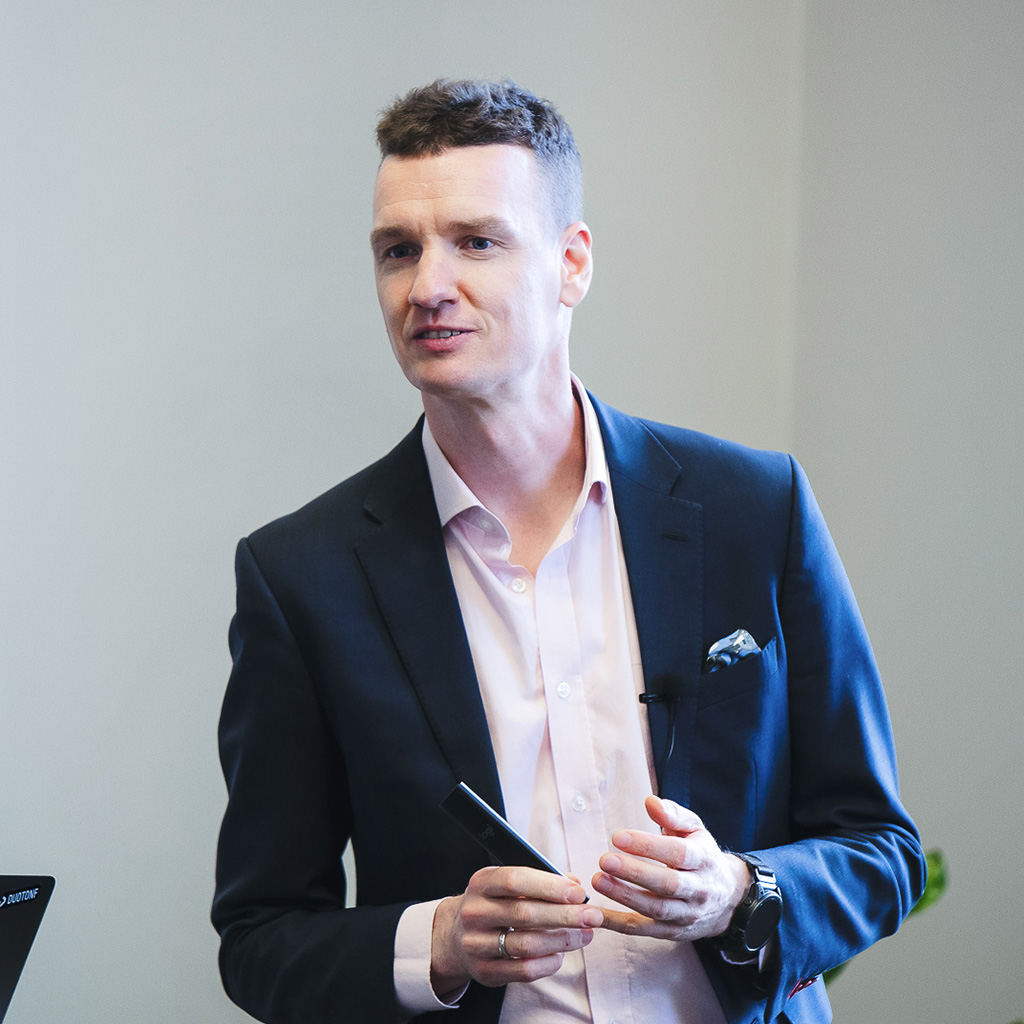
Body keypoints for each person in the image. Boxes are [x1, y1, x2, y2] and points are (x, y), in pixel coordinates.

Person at [212, 79, 925, 1024]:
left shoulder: (757, 508)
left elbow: (880, 851)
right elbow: (259, 940)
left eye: (477, 241)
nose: (427, 287)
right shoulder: (300, 577)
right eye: (398, 250)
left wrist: (736, 893)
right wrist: (437, 942)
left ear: (572, 262)